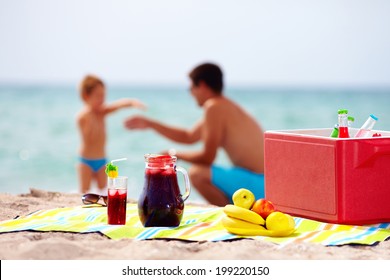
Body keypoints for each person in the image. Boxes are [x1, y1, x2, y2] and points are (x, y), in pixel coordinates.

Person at [124, 63, 264, 206]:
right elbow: (188, 136)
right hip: (263, 183)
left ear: (202, 85)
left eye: (190, 88)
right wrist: (151, 124)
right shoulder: (222, 106)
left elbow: (207, 158)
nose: (191, 93)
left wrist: (173, 155)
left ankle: (229, 215)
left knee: (198, 173)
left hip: (261, 186)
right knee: (199, 172)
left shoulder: (214, 107)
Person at [77, 74, 146, 194]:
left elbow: (117, 105)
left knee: (104, 191)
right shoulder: (82, 117)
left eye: (103, 95)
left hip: (101, 160)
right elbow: (89, 137)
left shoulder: (102, 112)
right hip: (86, 161)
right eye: (98, 96)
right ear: (86, 96)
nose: (102, 99)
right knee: (84, 192)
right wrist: (91, 116)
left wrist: (131, 102)